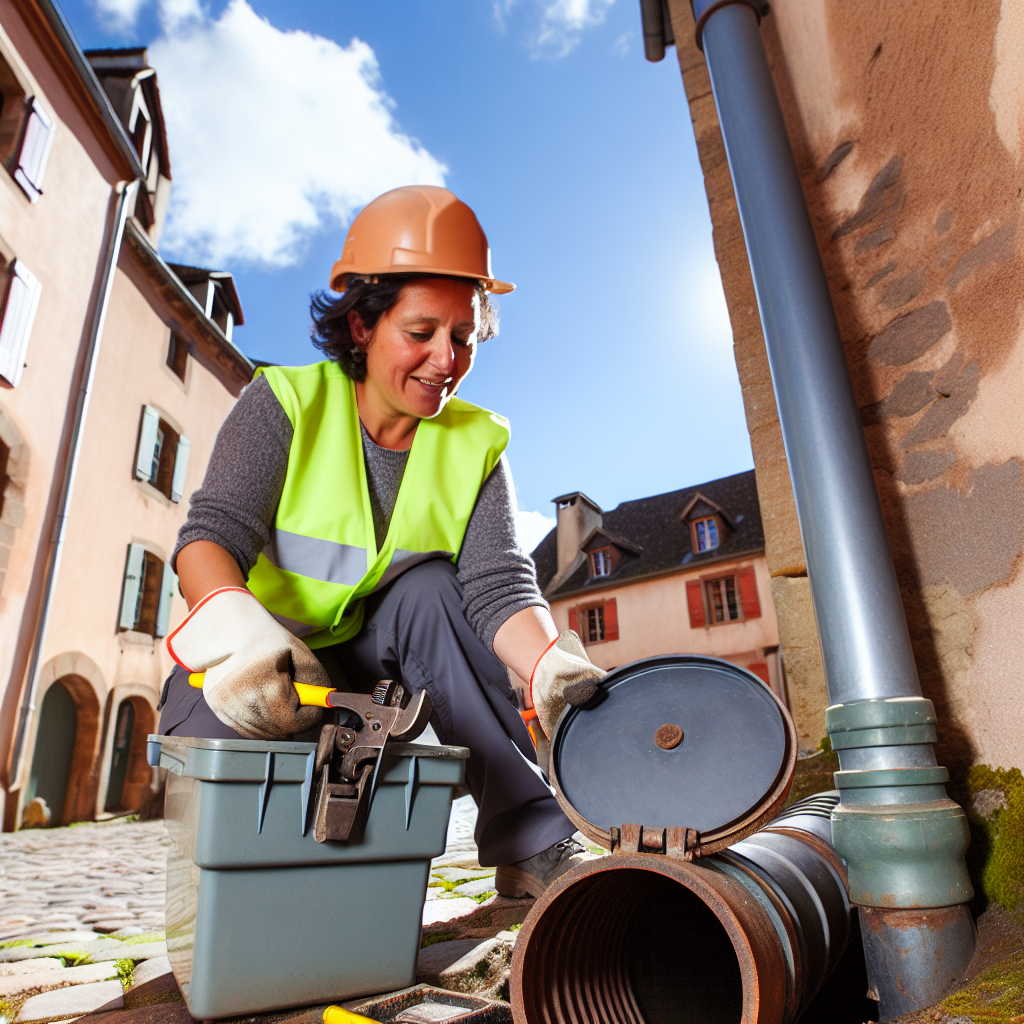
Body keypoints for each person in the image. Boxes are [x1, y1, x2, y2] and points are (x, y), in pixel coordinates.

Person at [159, 185, 606, 897]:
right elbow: (209, 538)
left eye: (463, 337)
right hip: (252, 666)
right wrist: (239, 638)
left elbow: (498, 586)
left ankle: (531, 837)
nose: (446, 359)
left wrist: (548, 665)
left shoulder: (474, 445)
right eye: (422, 332)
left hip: (373, 678)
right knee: (244, 789)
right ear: (362, 325)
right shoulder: (286, 404)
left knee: (433, 588)